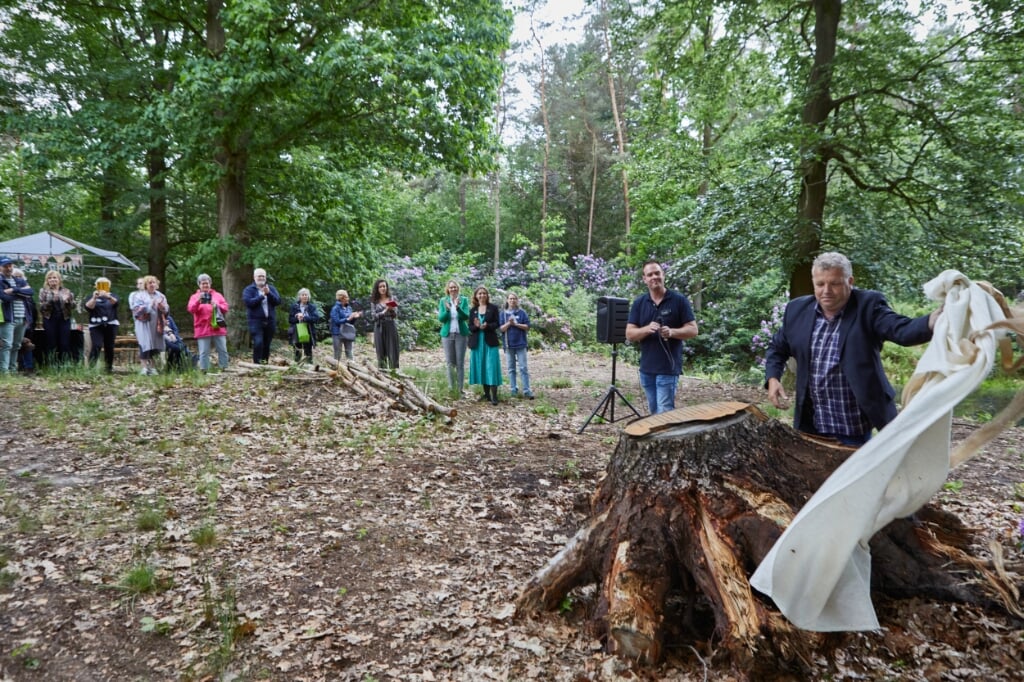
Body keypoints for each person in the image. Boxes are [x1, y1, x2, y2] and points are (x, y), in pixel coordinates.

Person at [765, 251, 941, 446]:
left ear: (850, 281)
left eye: (835, 284)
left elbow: (901, 330)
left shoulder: (868, 305)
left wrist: (932, 321)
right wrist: (773, 378)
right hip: (813, 424)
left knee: (864, 476)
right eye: (820, 284)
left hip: (854, 427)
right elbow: (777, 348)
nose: (826, 291)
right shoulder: (797, 310)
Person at [625, 260, 699, 414]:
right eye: (650, 274)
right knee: (654, 412)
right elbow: (630, 334)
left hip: (668, 368)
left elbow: (693, 330)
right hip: (647, 369)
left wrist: (672, 332)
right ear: (644, 279)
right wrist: (647, 329)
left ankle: (666, 438)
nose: (654, 277)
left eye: (657, 273)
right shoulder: (639, 303)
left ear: (663, 275)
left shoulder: (678, 300)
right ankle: (658, 439)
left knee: (664, 412)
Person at [187, 273, 230, 371]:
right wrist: (198, 301)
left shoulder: (217, 295)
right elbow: (190, 309)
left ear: (210, 283)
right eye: (203, 283)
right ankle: (204, 370)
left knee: (222, 349)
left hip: (217, 327)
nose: (205, 285)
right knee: (204, 351)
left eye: (207, 283)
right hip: (202, 328)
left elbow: (226, 307)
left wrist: (217, 305)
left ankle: (224, 368)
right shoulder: (194, 297)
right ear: (199, 285)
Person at [468, 285, 502, 405]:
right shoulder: (473, 310)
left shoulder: (493, 308)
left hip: (490, 342)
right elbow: (470, 328)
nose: (482, 295)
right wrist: (476, 327)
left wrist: (487, 326)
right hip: (478, 343)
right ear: (476, 296)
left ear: (487, 295)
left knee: (491, 367)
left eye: (484, 293)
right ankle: (486, 394)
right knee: (482, 367)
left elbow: (497, 323)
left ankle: (494, 396)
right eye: (480, 293)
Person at [0, 257, 34, 373]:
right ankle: (4, 371)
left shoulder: (19, 280)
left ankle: (13, 369)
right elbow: (4, 297)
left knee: (16, 345)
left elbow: (31, 292)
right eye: (5, 266)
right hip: (8, 318)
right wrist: (20, 292)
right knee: (7, 345)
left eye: (10, 265)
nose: (8, 268)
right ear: (0, 268)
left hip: (22, 317)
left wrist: (13, 290)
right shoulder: (1, 280)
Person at [130, 275, 169, 375]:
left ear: (157, 284)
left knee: (155, 345)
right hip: (144, 323)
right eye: (149, 283)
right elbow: (136, 309)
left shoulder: (160, 295)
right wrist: (149, 305)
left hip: (156, 323)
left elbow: (167, 309)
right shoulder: (139, 295)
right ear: (146, 285)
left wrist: (162, 307)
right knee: (144, 344)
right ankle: (144, 368)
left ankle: (153, 367)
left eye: (153, 282)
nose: (152, 284)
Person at [243, 268, 282, 364]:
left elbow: (278, 301)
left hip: (270, 321)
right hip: (255, 321)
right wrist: (261, 296)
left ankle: (264, 364)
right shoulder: (249, 290)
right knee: (258, 342)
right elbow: (249, 303)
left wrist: (269, 294)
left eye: (263, 276)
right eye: (259, 276)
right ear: (254, 277)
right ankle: (257, 364)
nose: (261, 278)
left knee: (266, 344)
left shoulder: (271, 288)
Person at [437, 280, 470, 394]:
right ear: (448, 289)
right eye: (451, 287)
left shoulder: (463, 300)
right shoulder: (443, 301)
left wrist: (457, 308)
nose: (453, 289)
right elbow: (441, 319)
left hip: (461, 334)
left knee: (460, 362)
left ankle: (460, 389)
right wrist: (447, 310)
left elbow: (466, 316)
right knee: (450, 363)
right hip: (447, 334)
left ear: (458, 288)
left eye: (455, 287)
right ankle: (452, 388)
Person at [38, 270, 77, 366]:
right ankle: (50, 365)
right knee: (51, 342)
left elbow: (74, 306)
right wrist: (51, 301)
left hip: (64, 319)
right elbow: (41, 308)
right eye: (50, 278)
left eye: (54, 277)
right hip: (49, 319)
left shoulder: (66, 291)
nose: (52, 280)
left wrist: (68, 301)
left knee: (64, 343)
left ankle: (64, 365)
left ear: (59, 279)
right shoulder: (43, 291)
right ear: (47, 280)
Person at [499, 292, 534, 399]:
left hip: (521, 344)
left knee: (523, 368)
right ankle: (513, 389)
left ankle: (527, 390)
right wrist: (509, 323)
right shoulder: (503, 314)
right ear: (507, 300)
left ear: (517, 300)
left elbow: (527, 326)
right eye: (510, 299)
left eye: (514, 298)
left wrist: (516, 324)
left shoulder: (522, 313)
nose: (512, 300)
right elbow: (501, 329)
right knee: (511, 368)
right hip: (509, 345)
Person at [84, 276, 120, 373]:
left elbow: (115, 303)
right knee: (96, 345)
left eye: (105, 284)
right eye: (100, 284)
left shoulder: (113, 295)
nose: (103, 287)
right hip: (96, 325)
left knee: (109, 346)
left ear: (109, 286)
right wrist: (94, 298)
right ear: (96, 286)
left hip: (111, 324)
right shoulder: (91, 296)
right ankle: (91, 368)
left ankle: (108, 368)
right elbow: (88, 307)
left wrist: (108, 296)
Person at [370, 278, 400, 369]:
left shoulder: (392, 298)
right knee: (380, 352)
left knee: (393, 351)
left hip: (391, 325)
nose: (383, 288)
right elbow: (373, 317)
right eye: (380, 287)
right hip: (379, 327)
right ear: (377, 289)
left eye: (384, 286)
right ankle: (382, 374)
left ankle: (394, 373)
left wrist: (392, 310)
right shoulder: (374, 301)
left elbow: (395, 315)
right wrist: (384, 311)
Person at [288, 288, 321, 363]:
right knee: (297, 349)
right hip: (296, 330)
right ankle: (297, 364)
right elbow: (290, 320)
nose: (305, 296)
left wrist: (305, 318)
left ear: (308, 296)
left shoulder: (312, 307)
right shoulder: (294, 306)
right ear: (299, 296)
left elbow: (316, 319)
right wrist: (297, 317)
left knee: (308, 349)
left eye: (306, 295)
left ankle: (309, 364)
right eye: (303, 295)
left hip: (308, 330)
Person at [329, 289, 362, 361]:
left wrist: (354, 318)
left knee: (349, 351)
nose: (348, 298)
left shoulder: (349, 308)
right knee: (337, 353)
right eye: (347, 297)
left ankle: (352, 368)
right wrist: (348, 318)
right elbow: (336, 321)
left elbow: (350, 322)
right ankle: (336, 368)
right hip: (337, 333)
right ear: (341, 298)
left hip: (347, 332)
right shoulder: (335, 308)